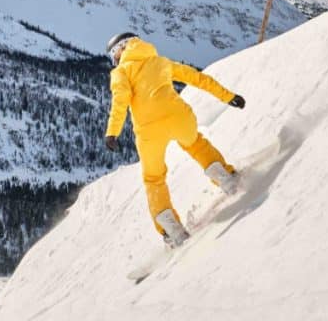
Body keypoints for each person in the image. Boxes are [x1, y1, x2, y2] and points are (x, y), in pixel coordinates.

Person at [103, 32, 246, 247]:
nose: (114, 60)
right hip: (179, 117)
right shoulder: (159, 61)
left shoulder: (120, 72)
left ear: (120, 49)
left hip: (149, 132)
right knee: (196, 144)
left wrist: (112, 132)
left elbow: (120, 101)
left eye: (114, 54)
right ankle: (224, 176)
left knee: (154, 178)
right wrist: (228, 96)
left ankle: (170, 226)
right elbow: (197, 78)